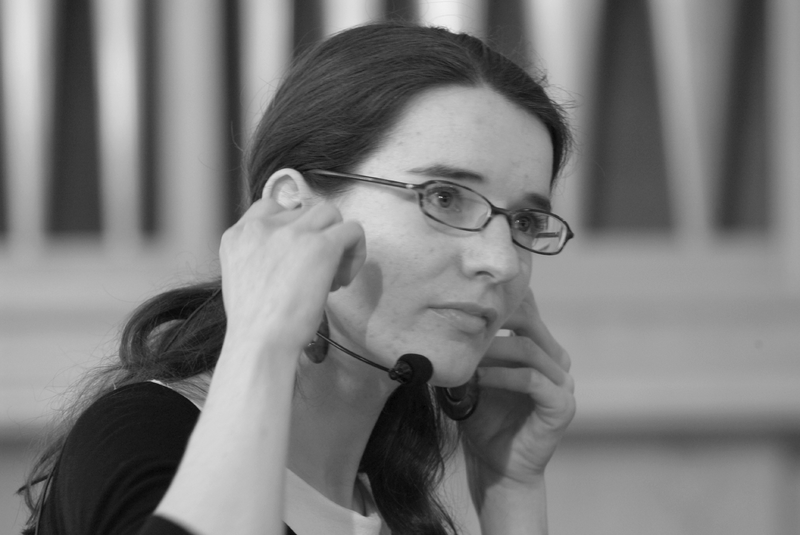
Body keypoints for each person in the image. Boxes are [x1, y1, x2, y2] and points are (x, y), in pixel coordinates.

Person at [19, 21, 576, 535]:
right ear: (294, 207)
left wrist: (510, 487)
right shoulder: (144, 437)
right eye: (445, 198)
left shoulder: (390, 506)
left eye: (525, 222)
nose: (502, 262)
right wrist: (262, 339)